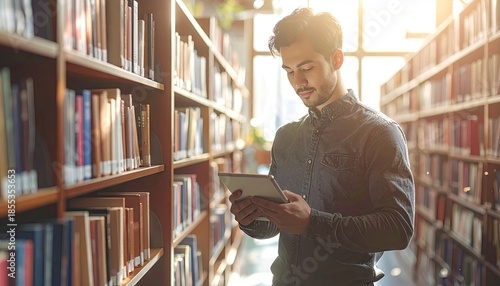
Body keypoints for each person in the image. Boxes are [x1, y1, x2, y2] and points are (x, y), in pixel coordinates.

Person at [228, 7, 415, 286]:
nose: (297, 82)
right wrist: (251, 218)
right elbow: (274, 226)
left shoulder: (379, 133)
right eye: (289, 71)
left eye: (307, 68)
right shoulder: (286, 137)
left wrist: (313, 222)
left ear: (336, 59)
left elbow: (398, 229)